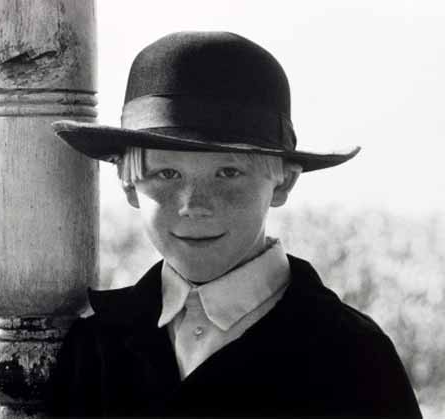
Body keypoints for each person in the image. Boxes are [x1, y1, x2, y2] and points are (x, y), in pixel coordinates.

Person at [47, 31, 422, 417]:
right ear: (129, 186)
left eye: (228, 173)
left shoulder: (353, 355)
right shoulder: (95, 346)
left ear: (284, 182)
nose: (194, 205)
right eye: (167, 174)